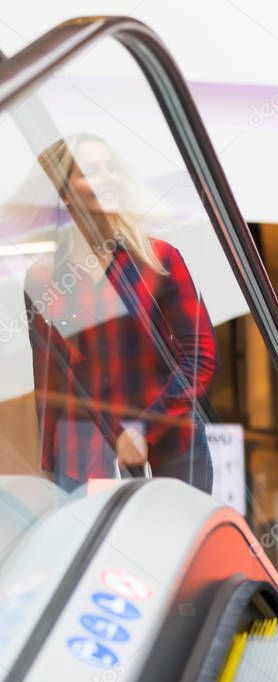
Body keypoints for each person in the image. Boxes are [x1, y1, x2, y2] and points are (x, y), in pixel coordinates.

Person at [24, 133, 218, 493]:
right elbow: (50, 381)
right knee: (99, 549)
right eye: (91, 171)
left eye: (111, 168)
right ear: (64, 192)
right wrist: (50, 463)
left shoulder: (158, 259)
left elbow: (201, 357)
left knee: (173, 547)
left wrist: (145, 428)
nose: (108, 178)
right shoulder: (43, 278)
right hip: (84, 455)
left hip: (172, 450)